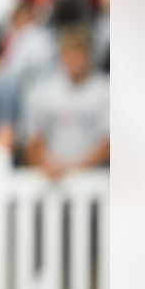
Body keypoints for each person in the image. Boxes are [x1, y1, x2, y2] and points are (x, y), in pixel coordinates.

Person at [22, 26, 109, 179]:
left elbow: (109, 143)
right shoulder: (45, 92)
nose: (73, 59)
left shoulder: (104, 91)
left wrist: (74, 168)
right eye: (69, 53)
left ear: (89, 56)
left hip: (95, 182)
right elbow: (34, 139)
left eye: (78, 53)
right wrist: (47, 165)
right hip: (54, 182)